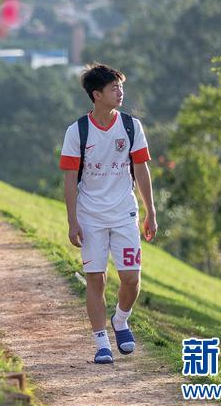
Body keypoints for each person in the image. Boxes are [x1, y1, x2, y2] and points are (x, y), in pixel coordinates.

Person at [59, 63, 157, 364]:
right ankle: (101, 342)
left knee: (130, 277)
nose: (120, 92)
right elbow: (68, 178)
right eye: (114, 88)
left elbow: (140, 168)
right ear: (96, 94)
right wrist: (73, 220)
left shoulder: (131, 126)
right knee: (96, 279)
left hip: (124, 213)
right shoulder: (77, 131)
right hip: (90, 216)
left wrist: (150, 212)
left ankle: (121, 320)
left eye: (120, 87)